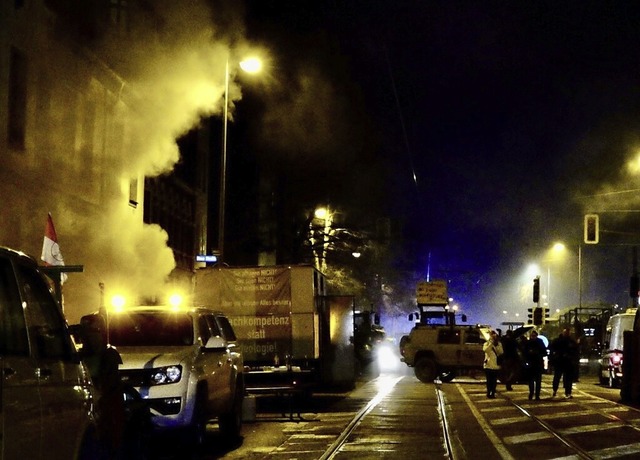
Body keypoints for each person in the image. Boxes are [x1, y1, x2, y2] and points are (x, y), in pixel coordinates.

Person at [549, 328, 579, 398]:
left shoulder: (570, 341)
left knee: (566, 378)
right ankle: (556, 390)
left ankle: (567, 392)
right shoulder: (562, 341)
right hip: (561, 362)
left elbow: (576, 351)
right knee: (559, 377)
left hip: (566, 362)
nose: (567, 334)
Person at [523, 330, 547, 400]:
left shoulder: (539, 342)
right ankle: (532, 393)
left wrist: (537, 353)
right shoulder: (529, 343)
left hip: (537, 363)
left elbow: (544, 352)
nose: (533, 337)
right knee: (531, 380)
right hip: (532, 364)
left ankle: (536, 395)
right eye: (532, 336)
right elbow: (525, 352)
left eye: (534, 336)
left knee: (537, 380)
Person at [483, 330, 504, 398]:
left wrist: (497, 345)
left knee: (494, 381)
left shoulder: (499, 344)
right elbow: (486, 350)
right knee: (489, 380)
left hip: (496, 366)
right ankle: (489, 392)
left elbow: (501, 352)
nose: (493, 336)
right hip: (488, 365)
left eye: (494, 335)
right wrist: (491, 343)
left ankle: (493, 393)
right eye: (492, 335)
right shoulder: (486, 343)